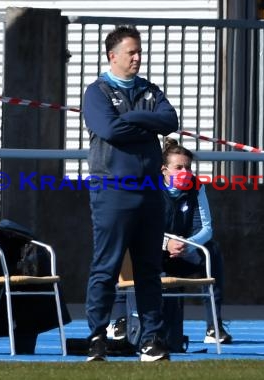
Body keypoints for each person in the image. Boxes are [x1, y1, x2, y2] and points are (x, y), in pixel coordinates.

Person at [82, 25, 179, 362]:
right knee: (106, 267)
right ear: (113, 56)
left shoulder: (149, 90)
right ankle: (97, 337)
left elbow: (169, 120)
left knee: (149, 268)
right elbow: (109, 129)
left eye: (139, 52)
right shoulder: (96, 92)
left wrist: (134, 119)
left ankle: (151, 339)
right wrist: (145, 124)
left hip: (150, 191)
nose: (138, 58)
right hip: (112, 190)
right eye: (131, 52)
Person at [111, 137, 233, 345]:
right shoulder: (149, 187)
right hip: (152, 250)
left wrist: (188, 244)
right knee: (125, 249)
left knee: (212, 251)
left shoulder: (196, 187)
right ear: (164, 169)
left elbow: (206, 228)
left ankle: (214, 325)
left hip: (184, 251)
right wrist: (165, 243)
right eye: (178, 167)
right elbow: (141, 227)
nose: (185, 172)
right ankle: (122, 319)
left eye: (188, 167)